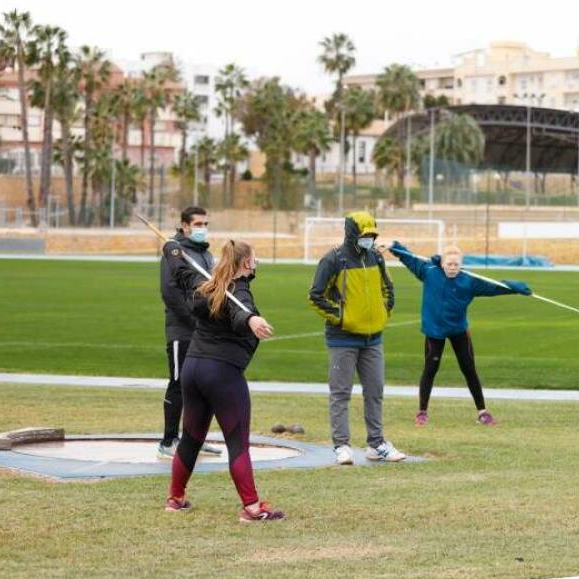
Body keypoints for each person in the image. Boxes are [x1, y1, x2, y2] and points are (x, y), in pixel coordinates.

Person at [166, 239, 284, 522]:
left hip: (193, 369)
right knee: (237, 441)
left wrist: (171, 249)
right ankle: (252, 507)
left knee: (192, 437)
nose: (255, 264)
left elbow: (181, 272)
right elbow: (239, 310)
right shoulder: (238, 289)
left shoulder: (206, 285)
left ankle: (175, 498)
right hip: (222, 374)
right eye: (254, 259)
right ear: (246, 264)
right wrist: (251, 321)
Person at [387, 243, 531, 426]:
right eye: (449, 264)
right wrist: (394, 246)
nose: (453, 268)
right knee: (430, 370)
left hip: (459, 330)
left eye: (456, 264)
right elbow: (409, 258)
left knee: (469, 369)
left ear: (461, 264)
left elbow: (494, 287)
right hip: (435, 331)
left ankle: (483, 412)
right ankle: (422, 412)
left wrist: (515, 287)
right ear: (442, 263)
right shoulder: (428, 271)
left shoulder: (469, 280)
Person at [308, 212, 404, 465]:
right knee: (341, 393)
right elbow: (316, 295)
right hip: (342, 339)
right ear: (352, 235)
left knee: (375, 391)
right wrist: (342, 318)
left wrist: (384, 312)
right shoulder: (333, 260)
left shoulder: (376, 257)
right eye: (365, 236)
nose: (370, 240)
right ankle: (342, 445)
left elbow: (388, 288)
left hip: (374, 339)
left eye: (373, 235)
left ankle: (377, 444)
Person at [157, 206, 221, 461]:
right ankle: (169, 440)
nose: (202, 228)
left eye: (205, 223)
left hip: (204, 331)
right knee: (179, 383)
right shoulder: (174, 251)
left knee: (201, 386)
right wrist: (194, 318)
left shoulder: (205, 254)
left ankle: (194, 439)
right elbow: (170, 291)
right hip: (181, 331)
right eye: (197, 224)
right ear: (185, 226)